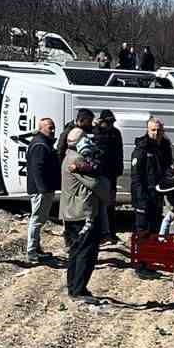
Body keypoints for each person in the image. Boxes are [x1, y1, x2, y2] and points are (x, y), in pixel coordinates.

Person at [62, 130, 110, 302]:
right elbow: (97, 184)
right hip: (83, 214)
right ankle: (78, 290)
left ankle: (74, 287)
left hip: (73, 213)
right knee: (85, 253)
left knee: (76, 251)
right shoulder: (77, 160)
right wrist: (107, 188)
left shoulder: (69, 156)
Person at [130, 117, 174, 236]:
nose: (156, 133)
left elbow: (167, 168)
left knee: (155, 230)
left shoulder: (165, 147)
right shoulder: (142, 148)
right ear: (148, 130)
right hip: (143, 195)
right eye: (153, 130)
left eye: (159, 130)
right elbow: (136, 176)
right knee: (142, 231)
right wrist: (141, 199)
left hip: (157, 194)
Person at [25, 116, 60, 263]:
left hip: (44, 189)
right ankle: (32, 252)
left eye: (53, 127)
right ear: (41, 128)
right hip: (41, 190)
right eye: (49, 128)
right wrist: (43, 189)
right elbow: (37, 169)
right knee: (37, 219)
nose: (52, 130)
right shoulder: (40, 145)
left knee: (40, 219)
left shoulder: (43, 143)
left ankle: (36, 249)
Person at [95, 108, 125, 242]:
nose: (110, 125)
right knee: (100, 205)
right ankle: (102, 233)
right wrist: (99, 128)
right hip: (100, 173)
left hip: (111, 174)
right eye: (108, 122)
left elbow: (119, 152)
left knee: (110, 205)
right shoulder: (97, 132)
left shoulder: (115, 133)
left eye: (112, 122)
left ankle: (111, 232)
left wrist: (119, 170)